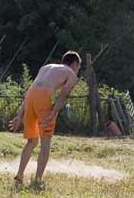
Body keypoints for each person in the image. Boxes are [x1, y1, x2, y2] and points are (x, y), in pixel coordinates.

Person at [8, 51, 81, 188]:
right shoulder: (71, 74)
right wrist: (53, 113)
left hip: (30, 96)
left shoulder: (46, 67)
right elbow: (62, 96)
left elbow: (32, 89)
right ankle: (38, 179)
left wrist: (20, 115)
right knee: (45, 140)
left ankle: (19, 175)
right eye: (78, 67)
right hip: (43, 96)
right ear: (75, 64)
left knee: (32, 140)